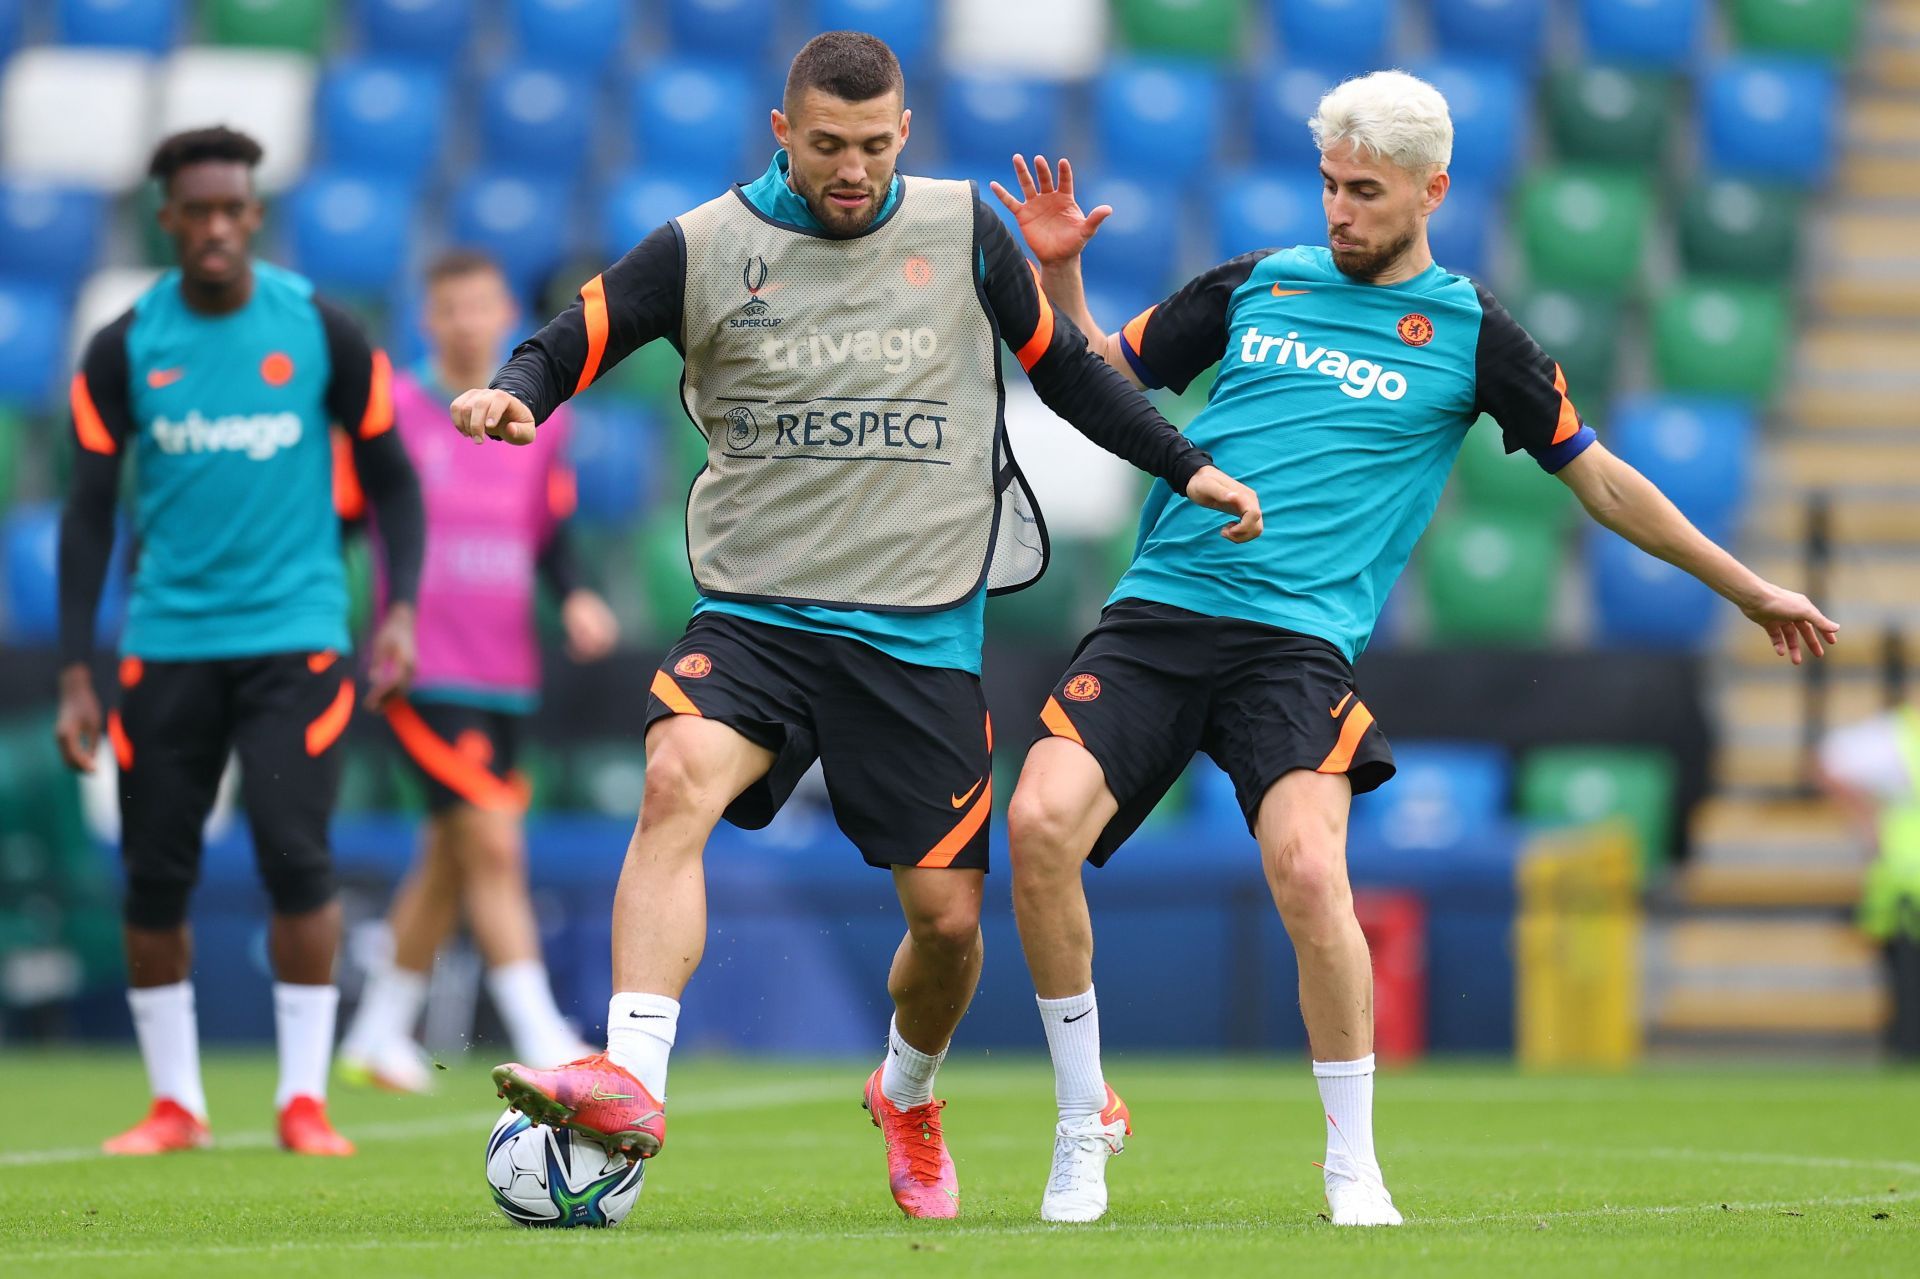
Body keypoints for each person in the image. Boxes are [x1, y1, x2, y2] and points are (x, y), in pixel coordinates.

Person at [991, 69, 1840, 1226]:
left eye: (1368, 193)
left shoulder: (1474, 333)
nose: (1340, 212)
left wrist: (1745, 588)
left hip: (1293, 646)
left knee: (1305, 867)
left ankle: (1351, 1161)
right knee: (1037, 824)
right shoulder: (1252, 284)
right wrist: (1060, 275)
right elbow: (1101, 381)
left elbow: (1601, 480)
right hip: (1159, 614)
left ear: (1433, 190)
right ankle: (1085, 1122)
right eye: (1331, 186)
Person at [457, 32, 1261, 1219]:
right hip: (758, 610)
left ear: (906, 133)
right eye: (829, 146)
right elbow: (575, 330)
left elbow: (1071, 373)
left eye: (877, 146)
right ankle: (630, 1077)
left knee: (945, 928)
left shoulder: (960, 228)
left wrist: (1184, 465)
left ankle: (907, 1087)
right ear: (782, 132)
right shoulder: (706, 244)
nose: (854, 170)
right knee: (677, 773)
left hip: (918, 629)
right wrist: (517, 395)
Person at [55, 127, 425, 1156]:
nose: (216, 227)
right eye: (197, 211)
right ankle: (176, 1103)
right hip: (165, 640)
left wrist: (396, 613)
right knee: (154, 876)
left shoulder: (322, 329)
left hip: (297, 640)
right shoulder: (123, 347)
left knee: (297, 857)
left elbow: (394, 477)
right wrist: (77, 672)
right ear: (167, 219)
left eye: (233, 209)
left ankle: (302, 1099)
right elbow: (89, 515)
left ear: (253, 216)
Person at [337, 250, 619, 1092]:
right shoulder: (392, 412)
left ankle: (376, 1032)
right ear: (428, 318)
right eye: (449, 306)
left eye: (481, 305)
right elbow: (345, 521)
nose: (466, 321)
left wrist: (574, 596)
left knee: (451, 852)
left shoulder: (542, 418)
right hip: (424, 667)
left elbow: (549, 531)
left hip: (507, 670)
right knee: (493, 842)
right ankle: (546, 1033)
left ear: (505, 316)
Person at [1817, 697, 1920, 1059]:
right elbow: (1830, 764)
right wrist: (1864, 818)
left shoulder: (1896, 736)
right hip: (1907, 884)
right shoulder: (1894, 737)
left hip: (1902, 878)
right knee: (1910, 985)